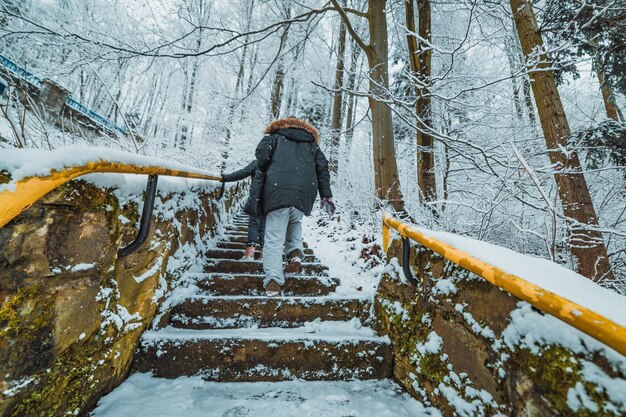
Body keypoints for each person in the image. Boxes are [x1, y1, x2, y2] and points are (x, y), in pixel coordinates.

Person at [249, 117, 335, 296]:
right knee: (294, 221)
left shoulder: (273, 137)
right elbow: (323, 168)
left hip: (277, 189)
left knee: (273, 236)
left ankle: (273, 280)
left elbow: (261, 158)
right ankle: (295, 252)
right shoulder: (312, 144)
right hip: (303, 192)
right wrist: (326, 195)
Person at [222, 161, 265, 259]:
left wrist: (225, 178)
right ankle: (264, 250)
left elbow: (242, 173)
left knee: (254, 222)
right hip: (272, 198)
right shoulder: (277, 162)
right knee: (266, 224)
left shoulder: (258, 163)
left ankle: (250, 249)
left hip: (257, 197)